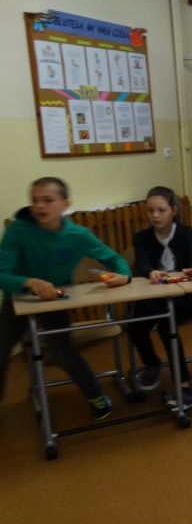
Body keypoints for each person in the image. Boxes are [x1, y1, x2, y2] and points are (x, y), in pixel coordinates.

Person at [0, 177, 131, 419]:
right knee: (1, 349)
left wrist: (124, 276)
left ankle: (96, 396)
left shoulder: (77, 234)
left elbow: (114, 259)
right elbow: (2, 274)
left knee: (62, 352)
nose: (39, 206)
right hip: (19, 299)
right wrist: (29, 282)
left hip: (55, 300)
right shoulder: (18, 230)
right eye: (35, 200)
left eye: (47, 200)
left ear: (65, 204)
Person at [127, 186, 192, 410]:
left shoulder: (185, 232)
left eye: (161, 210)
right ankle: (152, 363)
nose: (155, 216)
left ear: (173, 211)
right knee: (134, 326)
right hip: (156, 294)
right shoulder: (142, 237)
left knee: (165, 325)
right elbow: (142, 263)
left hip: (184, 295)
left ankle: (184, 386)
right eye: (150, 210)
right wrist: (150, 271)